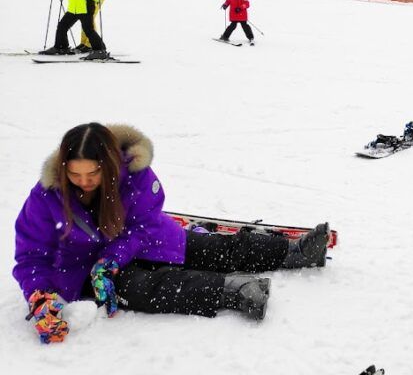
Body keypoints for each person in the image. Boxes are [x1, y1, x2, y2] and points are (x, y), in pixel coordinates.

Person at [13, 123, 330, 342]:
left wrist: (111, 258)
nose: (84, 181)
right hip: (84, 270)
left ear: (108, 164)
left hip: (139, 243)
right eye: (75, 173)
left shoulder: (134, 174)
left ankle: (293, 252)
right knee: (146, 288)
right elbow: (30, 257)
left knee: (208, 247)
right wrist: (39, 297)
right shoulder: (45, 197)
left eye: (93, 173)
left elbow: (145, 223)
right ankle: (235, 291)